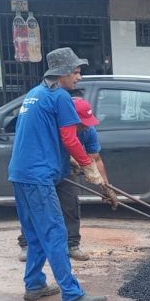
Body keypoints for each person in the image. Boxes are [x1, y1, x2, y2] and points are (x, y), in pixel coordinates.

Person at [9, 47, 108, 301]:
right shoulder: (60, 97)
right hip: (39, 176)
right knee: (55, 232)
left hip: (20, 173)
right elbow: (69, 137)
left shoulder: (35, 95)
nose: (79, 77)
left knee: (34, 234)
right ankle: (73, 295)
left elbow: (43, 137)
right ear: (62, 73)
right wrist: (88, 166)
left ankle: (35, 284)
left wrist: (69, 163)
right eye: (76, 72)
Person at [17, 95, 110, 262]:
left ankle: (72, 244)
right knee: (36, 206)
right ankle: (27, 244)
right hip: (42, 170)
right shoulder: (51, 128)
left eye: (86, 123)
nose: (84, 127)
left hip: (64, 170)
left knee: (70, 205)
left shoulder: (88, 130)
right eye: (80, 123)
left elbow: (95, 158)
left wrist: (106, 188)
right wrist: (73, 160)